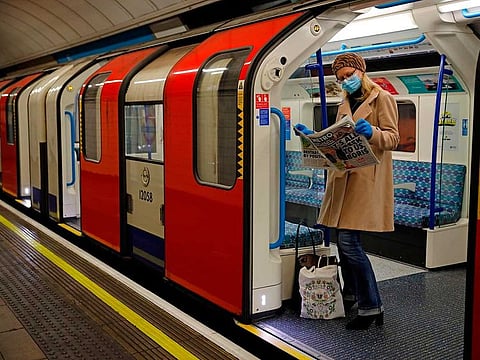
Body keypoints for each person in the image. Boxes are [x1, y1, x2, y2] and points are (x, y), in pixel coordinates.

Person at [294, 52, 400, 330]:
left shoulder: (383, 98)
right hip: (343, 178)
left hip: (366, 181)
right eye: (341, 78)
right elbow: (338, 135)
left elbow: (393, 138)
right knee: (343, 243)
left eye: (349, 76)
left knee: (350, 244)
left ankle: (371, 306)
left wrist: (372, 132)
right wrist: (313, 138)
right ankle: (352, 295)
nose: (345, 81)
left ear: (361, 72)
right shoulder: (344, 102)